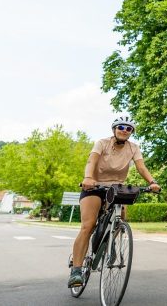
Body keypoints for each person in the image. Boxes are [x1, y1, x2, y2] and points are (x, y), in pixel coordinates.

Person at [68, 116, 160, 288]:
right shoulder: (101, 143)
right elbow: (91, 161)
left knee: (121, 218)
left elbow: (141, 167)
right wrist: (88, 178)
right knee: (88, 225)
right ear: (114, 129)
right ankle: (76, 269)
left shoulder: (134, 148)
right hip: (94, 186)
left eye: (129, 128)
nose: (124, 130)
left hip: (116, 188)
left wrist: (152, 182)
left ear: (131, 132)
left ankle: (109, 240)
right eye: (121, 127)